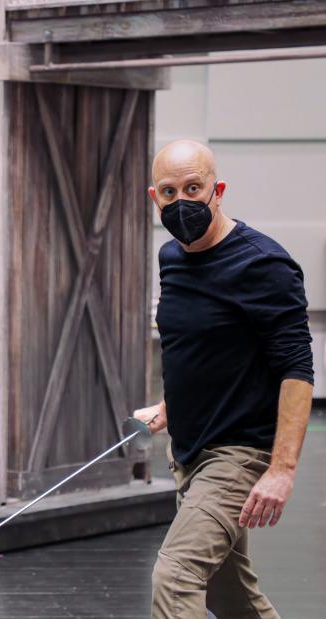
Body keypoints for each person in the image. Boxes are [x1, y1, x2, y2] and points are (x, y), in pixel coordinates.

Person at [133, 140, 313, 618]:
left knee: (175, 577)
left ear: (219, 189)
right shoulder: (171, 258)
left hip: (237, 454)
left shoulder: (263, 264)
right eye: (170, 192)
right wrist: (171, 405)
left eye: (194, 188)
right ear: (156, 199)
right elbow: (192, 346)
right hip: (188, 452)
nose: (182, 202)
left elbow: (297, 370)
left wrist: (281, 470)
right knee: (230, 595)